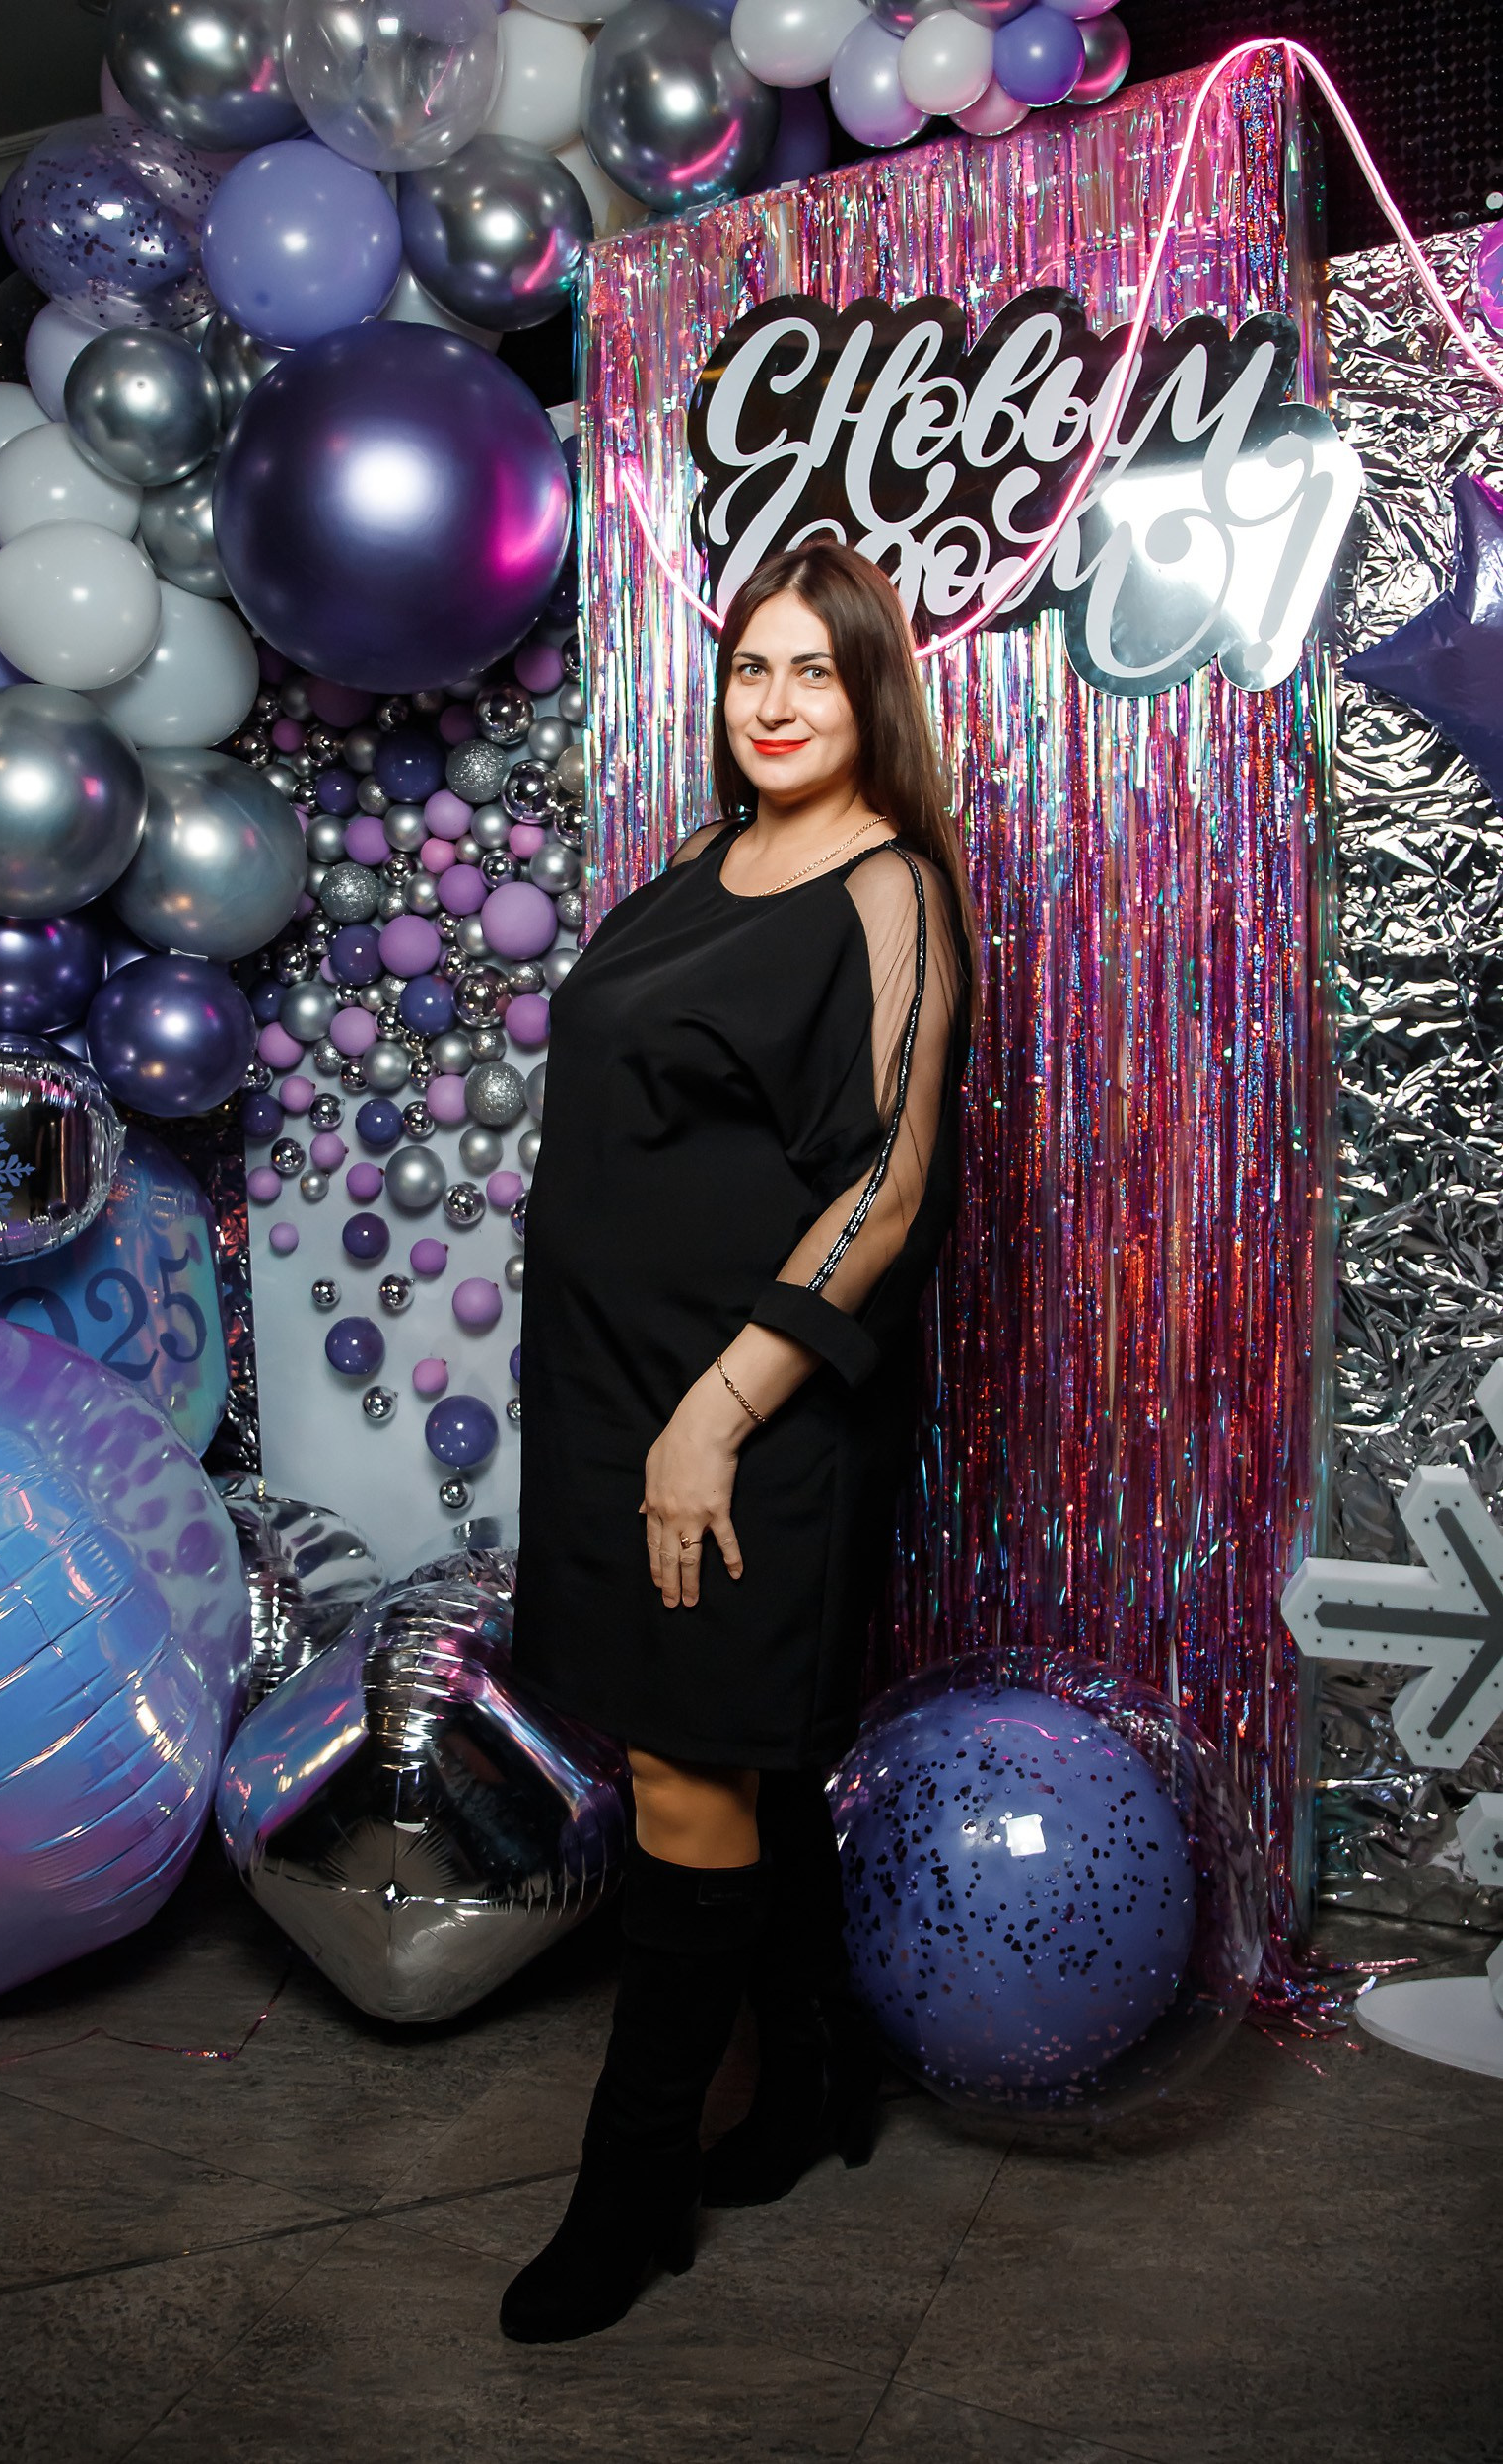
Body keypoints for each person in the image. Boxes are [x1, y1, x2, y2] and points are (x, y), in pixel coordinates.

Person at [504, 541, 979, 2343]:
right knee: (701, 1763)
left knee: (694, 1770)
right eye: (750, 668)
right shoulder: (702, 863)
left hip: (746, 1400)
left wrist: (714, 1416)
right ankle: (815, 2072)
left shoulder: (890, 887)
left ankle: (629, 2191)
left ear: (872, 698)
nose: (774, 703)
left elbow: (889, 1181)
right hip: (611, 1386)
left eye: (815, 673)